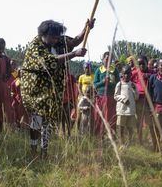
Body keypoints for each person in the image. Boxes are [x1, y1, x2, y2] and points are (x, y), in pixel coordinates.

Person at [20, 19, 92, 158]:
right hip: (35, 91)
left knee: (48, 121)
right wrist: (73, 54)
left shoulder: (56, 40)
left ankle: (44, 151)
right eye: (54, 37)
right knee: (37, 121)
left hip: (52, 90)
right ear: (44, 34)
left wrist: (86, 28)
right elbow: (50, 61)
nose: (56, 39)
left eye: (58, 37)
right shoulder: (36, 47)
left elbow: (74, 41)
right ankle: (34, 150)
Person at [93, 51, 119, 137]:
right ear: (103, 59)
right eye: (106, 59)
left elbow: (118, 84)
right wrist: (103, 82)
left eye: (110, 59)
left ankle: (111, 136)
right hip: (100, 97)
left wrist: (110, 83)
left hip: (111, 97)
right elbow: (95, 85)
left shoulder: (114, 70)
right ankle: (98, 136)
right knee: (99, 117)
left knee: (110, 117)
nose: (108, 60)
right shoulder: (99, 70)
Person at [114, 65, 139, 148]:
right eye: (124, 74)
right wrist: (123, 99)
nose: (126, 75)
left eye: (128, 73)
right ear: (121, 74)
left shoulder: (133, 85)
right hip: (121, 110)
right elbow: (116, 96)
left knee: (130, 128)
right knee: (121, 128)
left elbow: (136, 97)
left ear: (131, 74)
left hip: (130, 110)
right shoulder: (119, 84)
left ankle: (130, 143)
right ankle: (122, 143)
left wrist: (134, 90)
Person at [131, 56, 153, 145]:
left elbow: (157, 76)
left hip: (148, 100)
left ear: (147, 63)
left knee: (149, 120)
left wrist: (149, 76)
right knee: (139, 120)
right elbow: (127, 79)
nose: (141, 65)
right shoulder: (135, 72)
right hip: (138, 99)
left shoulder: (151, 72)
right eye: (139, 64)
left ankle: (149, 138)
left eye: (143, 63)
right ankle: (140, 139)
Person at [61, 71, 78, 137]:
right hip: (61, 100)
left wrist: (74, 101)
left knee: (68, 117)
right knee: (62, 118)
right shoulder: (60, 76)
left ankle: (69, 133)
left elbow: (74, 89)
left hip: (69, 100)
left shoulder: (71, 77)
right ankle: (63, 133)